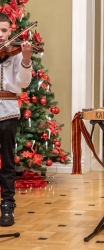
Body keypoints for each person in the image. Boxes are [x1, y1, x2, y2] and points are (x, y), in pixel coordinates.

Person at [0, 12, 32, 226]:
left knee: (8, 161)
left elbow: (23, 84)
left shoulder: (16, 53)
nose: (1, 35)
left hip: (7, 111)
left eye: (3, 30)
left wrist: (27, 59)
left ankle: (7, 205)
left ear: (11, 31)